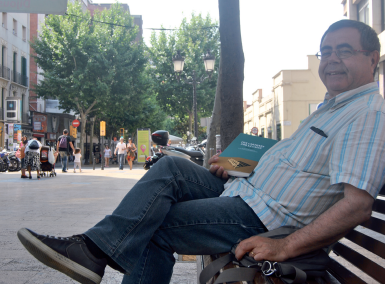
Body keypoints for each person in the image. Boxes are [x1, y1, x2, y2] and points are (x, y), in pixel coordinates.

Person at [17, 20, 385, 284]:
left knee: (152, 226)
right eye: (326, 51)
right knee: (171, 167)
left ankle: (93, 253)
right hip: (245, 191)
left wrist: (285, 246)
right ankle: (94, 250)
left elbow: (357, 205)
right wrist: (240, 165)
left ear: (373, 59)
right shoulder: (332, 108)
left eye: (344, 51)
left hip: (262, 219)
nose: (331, 58)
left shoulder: (366, 114)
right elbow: (301, 169)